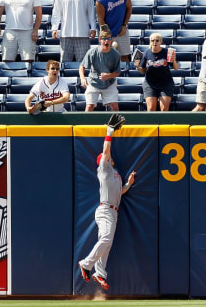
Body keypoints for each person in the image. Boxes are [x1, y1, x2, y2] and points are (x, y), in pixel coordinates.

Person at [78, 114, 136, 291]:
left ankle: (99, 273)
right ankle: (86, 264)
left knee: (106, 242)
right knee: (106, 239)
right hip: (105, 210)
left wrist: (128, 184)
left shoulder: (115, 175)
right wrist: (109, 132)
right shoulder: (104, 169)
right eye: (106, 157)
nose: (109, 157)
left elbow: (120, 192)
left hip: (113, 210)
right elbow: (106, 150)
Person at [79, 25, 121, 112]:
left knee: (114, 106)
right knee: (90, 106)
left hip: (109, 83)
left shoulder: (116, 54)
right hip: (93, 82)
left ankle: (115, 124)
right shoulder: (92, 52)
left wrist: (109, 76)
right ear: (100, 40)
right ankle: (85, 125)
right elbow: (82, 67)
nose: (106, 41)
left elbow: (117, 72)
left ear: (111, 40)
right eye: (104, 39)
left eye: (108, 39)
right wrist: (82, 78)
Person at [134, 33, 178, 111]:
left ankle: (163, 123)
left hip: (166, 83)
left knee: (164, 108)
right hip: (150, 84)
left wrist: (174, 60)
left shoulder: (167, 52)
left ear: (161, 42)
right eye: (152, 40)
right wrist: (137, 67)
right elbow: (143, 71)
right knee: (151, 108)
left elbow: (176, 68)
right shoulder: (146, 53)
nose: (154, 42)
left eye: (157, 40)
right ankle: (151, 123)